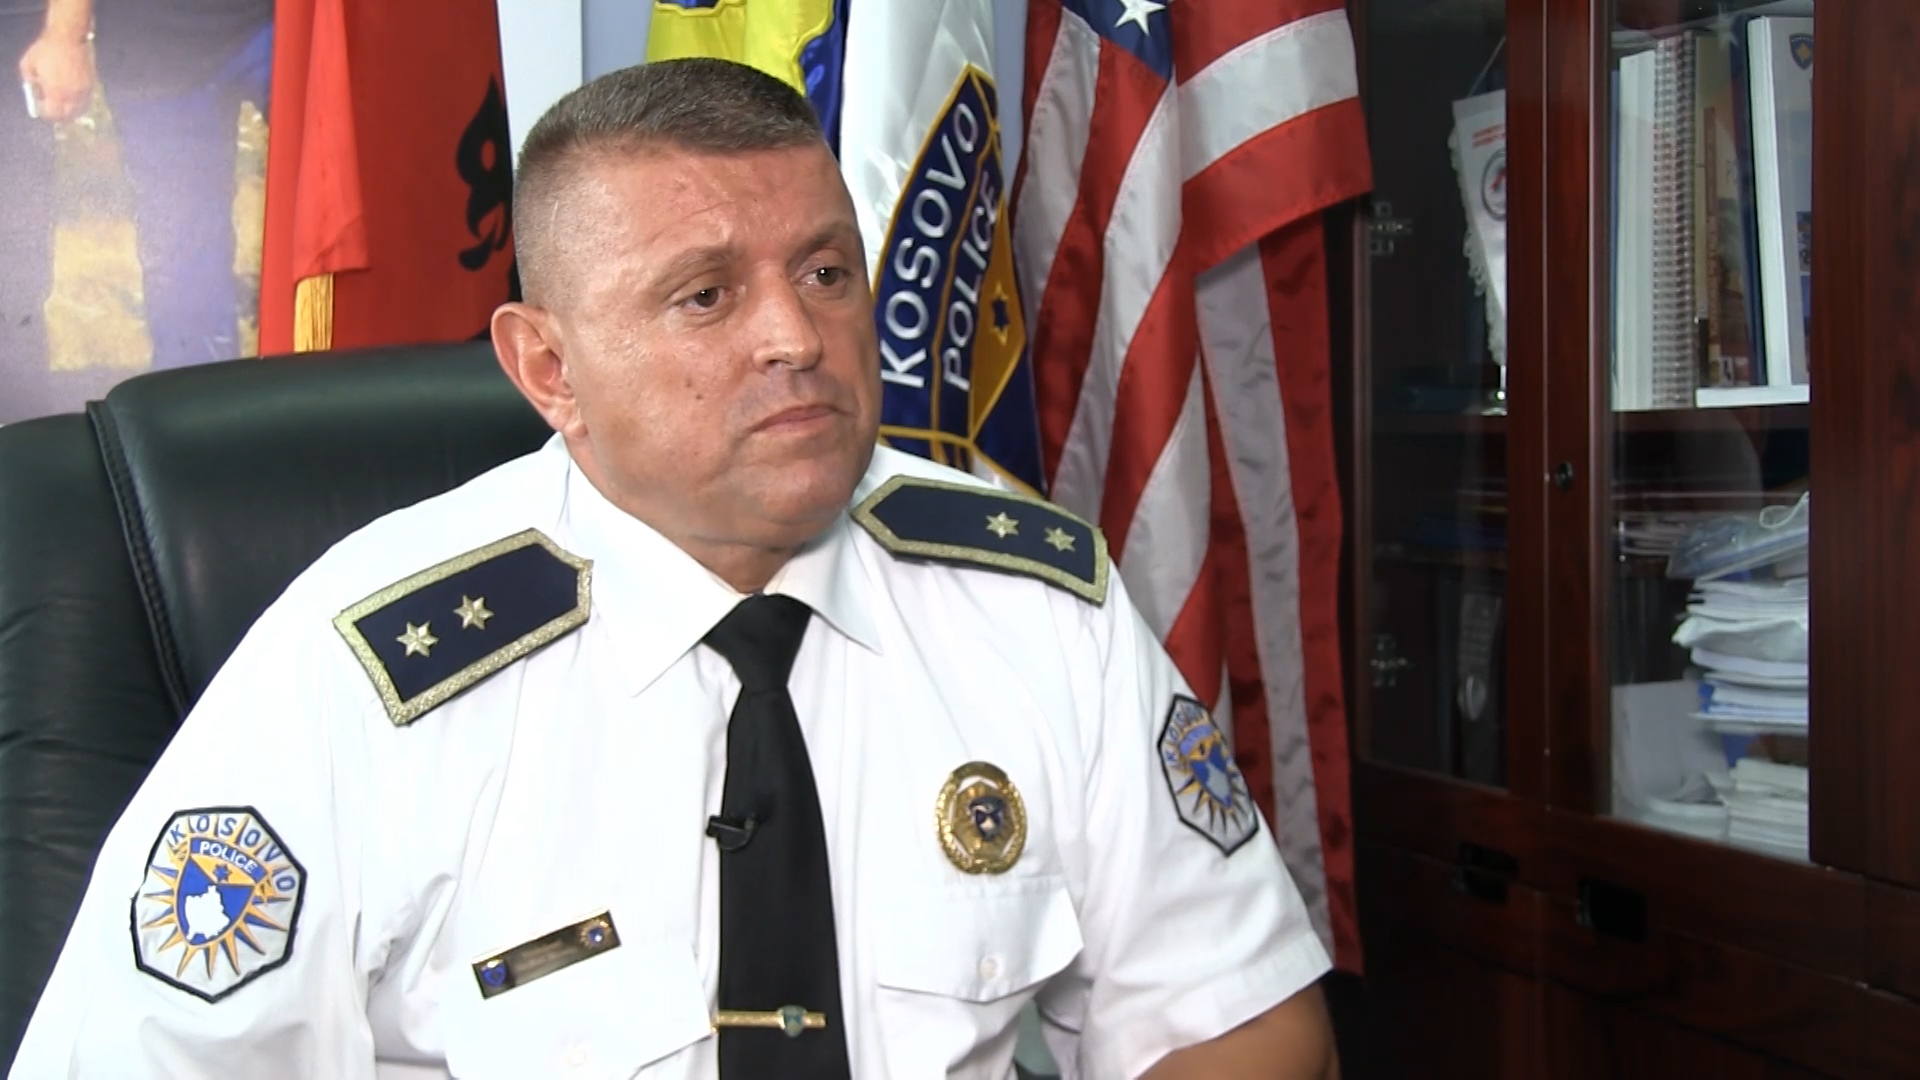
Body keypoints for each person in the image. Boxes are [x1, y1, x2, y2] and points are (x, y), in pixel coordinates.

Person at [10, 58, 1340, 1079]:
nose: (795, 337)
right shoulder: (364, 672)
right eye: (706, 295)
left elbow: (1241, 1028)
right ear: (548, 368)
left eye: (826, 272)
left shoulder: (1032, 600)